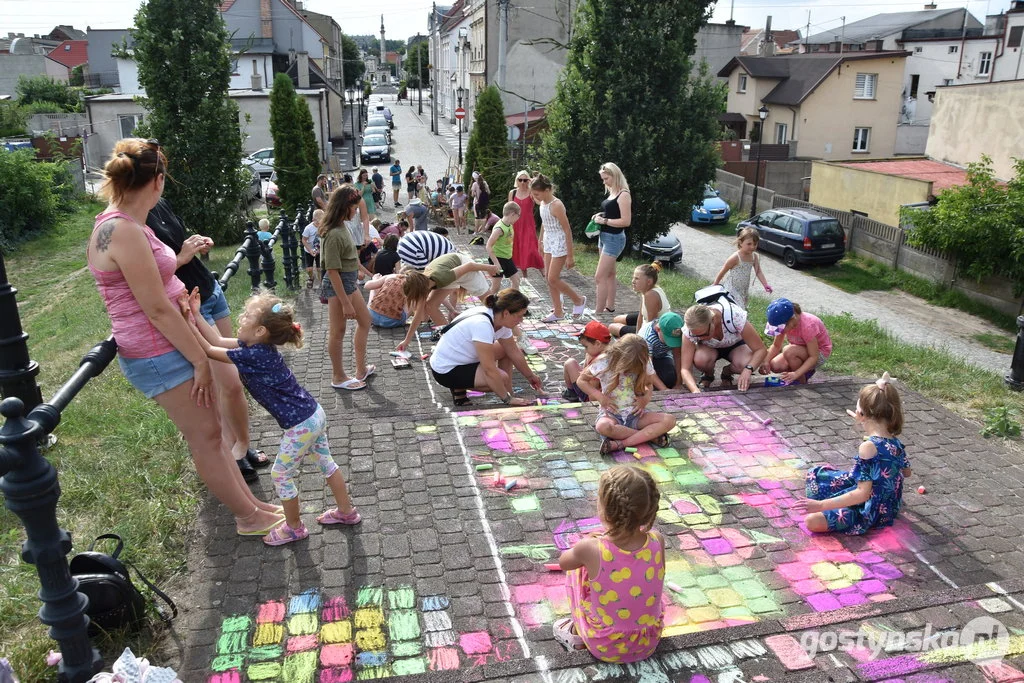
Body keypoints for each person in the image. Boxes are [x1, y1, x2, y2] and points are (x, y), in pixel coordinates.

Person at [88, 138, 282, 536]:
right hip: (160, 351)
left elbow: (159, 280)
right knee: (207, 438)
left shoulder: (132, 223)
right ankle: (247, 518)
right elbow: (155, 308)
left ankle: (253, 505)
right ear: (158, 180)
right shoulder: (122, 229)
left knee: (213, 433)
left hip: (175, 339)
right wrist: (199, 358)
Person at [182, 292, 361, 546]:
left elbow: (210, 350)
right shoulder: (256, 347)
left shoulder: (254, 356)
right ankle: (346, 512)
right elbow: (217, 339)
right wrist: (197, 313)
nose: (240, 319)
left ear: (260, 331)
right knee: (326, 463)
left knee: (280, 474)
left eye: (246, 317)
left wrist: (187, 322)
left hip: (300, 425)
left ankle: (294, 528)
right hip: (313, 414)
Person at [148, 197, 269, 484]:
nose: (162, 180)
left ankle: (242, 445)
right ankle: (232, 451)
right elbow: (147, 277)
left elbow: (174, 245)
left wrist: (195, 243)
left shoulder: (160, 204)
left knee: (232, 381)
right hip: (191, 303)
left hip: (209, 291)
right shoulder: (131, 223)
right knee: (224, 381)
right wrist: (182, 257)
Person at [554, 465, 665, 662]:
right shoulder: (657, 539)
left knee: (577, 570)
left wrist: (590, 543)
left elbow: (564, 563)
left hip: (605, 645)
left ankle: (576, 633)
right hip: (648, 642)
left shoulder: (591, 547)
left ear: (606, 509)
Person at [795, 373, 910, 535]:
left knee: (812, 520)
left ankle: (826, 505)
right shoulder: (895, 443)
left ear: (861, 415)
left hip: (871, 511)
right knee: (820, 476)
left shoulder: (868, 447)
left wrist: (820, 506)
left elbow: (862, 494)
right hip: (890, 505)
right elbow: (907, 472)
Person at [428, 289, 543, 406]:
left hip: (463, 359)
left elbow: (513, 352)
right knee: (501, 379)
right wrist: (507, 399)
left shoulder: (498, 318)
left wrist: (530, 376)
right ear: (506, 313)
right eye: (519, 316)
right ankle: (459, 386)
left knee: (507, 351)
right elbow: (489, 369)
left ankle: (509, 392)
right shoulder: (482, 324)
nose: (521, 320)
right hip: (446, 370)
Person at [576, 334, 675, 456]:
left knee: (669, 420)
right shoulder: (604, 361)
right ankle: (649, 437)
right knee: (603, 427)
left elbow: (649, 385)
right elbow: (581, 380)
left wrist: (644, 400)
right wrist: (600, 397)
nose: (630, 371)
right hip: (612, 414)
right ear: (619, 356)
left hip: (636, 415)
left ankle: (620, 444)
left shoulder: (644, 362)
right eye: (628, 367)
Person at [320, 184, 374, 391]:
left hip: (349, 283)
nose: (357, 211)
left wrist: (360, 269)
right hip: (339, 287)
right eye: (354, 207)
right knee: (337, 332)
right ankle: (339, 376)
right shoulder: (333, 233)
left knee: (365, 321)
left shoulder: (343, 226)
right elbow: (332, 270)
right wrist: (345, 303)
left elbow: (348, 256)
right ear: (344, 207)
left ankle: (360, 370)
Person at [397, 252, 500, 351]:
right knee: (430, 305)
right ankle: (451, 338)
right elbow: (418, 315)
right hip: (449, 271)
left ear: (421, 290)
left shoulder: (441, 277)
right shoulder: (423, 283)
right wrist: (407, 340)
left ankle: (512, 330)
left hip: (466, 269)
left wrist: (489, 268)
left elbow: (470, 266)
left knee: (492, 304)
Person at [679, 298, 767, 393]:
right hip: (709, 349)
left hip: (736, 345)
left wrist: (748, 370)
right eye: (697, 336)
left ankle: (727, 372)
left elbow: (760, 349)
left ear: (712, 320)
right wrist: (695, 391)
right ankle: (708, 375)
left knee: (746, 363)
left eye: (704, 334)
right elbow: (685, 369)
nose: (701, 338)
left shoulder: (734, 315)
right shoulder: (689, 330)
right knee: (700, 359)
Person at [530, 174, 586, 322]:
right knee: (548, 278)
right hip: (549, 240)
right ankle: (558, 311)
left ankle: (578, 299)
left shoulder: (557, 205)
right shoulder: (542, 202)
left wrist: (570, 255)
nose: (535, 196)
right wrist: (540, 240)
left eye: (537, 193)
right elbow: (544, 222)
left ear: (547, 190)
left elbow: (567, 229)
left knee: (553, 278)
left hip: (559, 241)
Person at [762, 298, 832, 384]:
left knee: (789, 351)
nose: (781, 332)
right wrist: (765, 361)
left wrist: (796, 374)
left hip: (819, 354)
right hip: (800, 350)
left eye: (781, 329)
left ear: (792, 319)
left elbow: (814, 356)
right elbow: (776, 345)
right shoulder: (786, 322)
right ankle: (801, 371)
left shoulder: (808, 326)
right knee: (775, 365)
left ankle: (801, 381)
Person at [592, 163, 631, 314]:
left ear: (615, 176)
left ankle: (598, 312)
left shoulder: (624, 194)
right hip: (604, 236)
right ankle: (610, 307)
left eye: (606, 178)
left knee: (599, 276)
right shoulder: (612, 192)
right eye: (603, 179)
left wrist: (605, 221)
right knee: (610, 274)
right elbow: (612, 212)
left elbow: (626, 221)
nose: (604, 182)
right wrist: (599, 215)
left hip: (614, 239)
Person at [712, 227, 772, 309]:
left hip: (743, 289)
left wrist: (765, 285)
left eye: (755, 244)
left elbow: (758, 272)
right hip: (732, 289)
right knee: (734, 309)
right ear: (740, 243)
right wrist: (715, 285)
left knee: (741, 309)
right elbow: (723, 271)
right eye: (749, 244)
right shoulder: (735, 257)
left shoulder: (754, 256)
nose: (752, 247)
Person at [609, 263, 670, 338]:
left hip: (654, 329)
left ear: (649, 282)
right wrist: (637, 331)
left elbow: (651, 325)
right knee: (617, 319)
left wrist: (638, 336)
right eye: (633, 278)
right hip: (646, 320)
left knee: (611, 327)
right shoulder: (646, 290)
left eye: (637, 279)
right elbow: (640, 315)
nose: (633, 281)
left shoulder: (651, 295)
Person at [507, 170, 544, 278]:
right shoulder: (512, 193)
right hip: (515, 224)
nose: (522, 182)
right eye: (520, 180)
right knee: (518, 248)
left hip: (528, 224)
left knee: (532, 248)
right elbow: (508, 209)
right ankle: (524, 275)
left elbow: (540, 202)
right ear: (517, 181)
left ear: (529, 181)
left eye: (525, 180)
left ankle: (543, 271)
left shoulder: (531, 192)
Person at [562, 320, 611, 402]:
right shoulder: (601, 353)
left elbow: (591, 391)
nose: (585, 350)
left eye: (586, 346)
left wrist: (592, 403)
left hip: (592, 396)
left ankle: (571, 393)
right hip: (596, 392)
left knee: (570, 363)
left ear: (598, 344)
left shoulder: (600, 363)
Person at [639, 311, 683, 390]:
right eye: (668, 339)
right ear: (658, 329)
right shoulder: (647, 338)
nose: (671, 343)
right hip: (643, 359)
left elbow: (678, 356)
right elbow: (648, 367)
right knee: (645, 379)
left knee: (670, 378)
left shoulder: (677, 331)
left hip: (662, 355)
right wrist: (665, 389)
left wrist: (679, 383)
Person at [486, 201, 522, 296]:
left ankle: (512, 302)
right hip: (498, 258)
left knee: (516, 280)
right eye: (519, 215)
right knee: (496, 286)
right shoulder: (499, 229)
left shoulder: (509, 225)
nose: (519, 218)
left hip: (507, 258)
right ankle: (487, 304)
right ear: (513, 214)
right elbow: (488, 246)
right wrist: (496, 263)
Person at [301, 209, 323, 290]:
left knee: (320, 268)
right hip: (309, 250)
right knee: (309, 269)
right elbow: (304, 240)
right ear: (313, 220)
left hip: (320, 250)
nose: (319, 224)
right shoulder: (308, 228)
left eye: (321, 222)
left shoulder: (323, 227)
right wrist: (310, 250)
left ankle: (322, 284)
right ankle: (311, 277)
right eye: (318, 222)